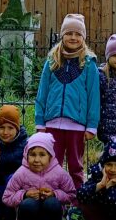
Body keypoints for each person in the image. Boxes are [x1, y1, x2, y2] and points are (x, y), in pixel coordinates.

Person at [35, 14, 100, 191]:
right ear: (62, 35)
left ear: (83, 38)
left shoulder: (88, 64)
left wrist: (91, 125)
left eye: (78, 34)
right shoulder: (52, 61)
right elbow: (42, 92)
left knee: (75, 167)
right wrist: (40, 121)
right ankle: (53, 202)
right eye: (69, 33)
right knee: (51, 166)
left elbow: (94, 97)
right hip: (52, 124)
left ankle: (76, 204)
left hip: (77, 126)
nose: (73, 37)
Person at [2, 132, 76, 220]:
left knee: (52, 203)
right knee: (28, 204)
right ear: (26, 155)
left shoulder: (59, 173)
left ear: (50, 156)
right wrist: (24, 195)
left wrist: (55, 194)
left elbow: (71, 194)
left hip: (50, 215)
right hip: (29, 215)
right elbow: (6, 197)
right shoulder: (21, 172)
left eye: (42, 155)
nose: (36, 159)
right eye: (32, 154)